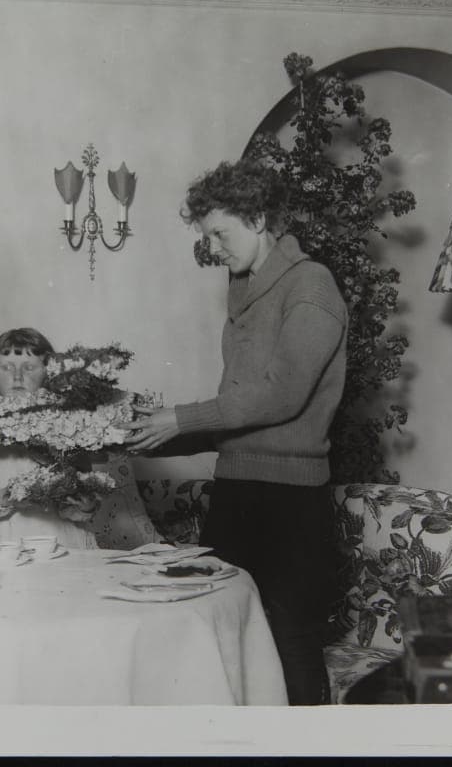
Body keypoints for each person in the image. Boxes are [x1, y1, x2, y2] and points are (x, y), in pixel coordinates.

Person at [123, 159, 348, 704]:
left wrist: (182, 417)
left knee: (290, 643)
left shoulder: (311, 284)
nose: (212, 248)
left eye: (220, 234)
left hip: (291, 502)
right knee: (225, 641)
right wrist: (150, 432)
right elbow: (239, 412)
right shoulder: (245, 289)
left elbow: (281, 394)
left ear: (258, 218)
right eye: (207, 236)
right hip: (237, 493)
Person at [0, 328, 159, 549]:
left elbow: (77, 505)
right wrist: (6, 497)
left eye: (29, 367)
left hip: (68, 546)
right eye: (6, 367)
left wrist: (85, 505)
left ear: (49, 373)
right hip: (10, 547)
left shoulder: (70, 424)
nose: (17, 376)